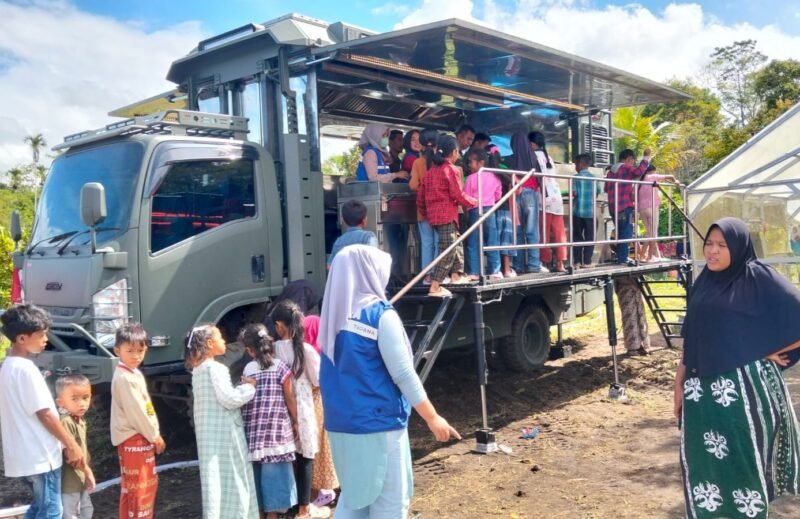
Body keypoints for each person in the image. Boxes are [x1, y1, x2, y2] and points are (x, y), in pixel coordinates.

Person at [319, 244, 462, 518]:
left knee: (354, 499)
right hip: (378, 427)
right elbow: (404, 374)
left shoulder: (331, 320)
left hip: (341, 426)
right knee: (390, 505)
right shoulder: (380, 317)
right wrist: (433, 418)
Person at [675, 217, 800, 518]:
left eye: (722, 245)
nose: (713, 252)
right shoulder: (703, 282)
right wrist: (678, 385)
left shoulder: (757, 276)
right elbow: (691, 337)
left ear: (739, 247)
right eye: (709, 244)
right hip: (700, 396)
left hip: (743, 396)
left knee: (742, 467)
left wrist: (766, 350)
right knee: (703, 466)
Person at [0, 304, 85, 519]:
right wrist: (72, 445)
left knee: (39, 508)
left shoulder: (8, 367)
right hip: (41, 456)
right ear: (21, 339)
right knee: (51, 512)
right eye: (41, 335)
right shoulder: (27, 370)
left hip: (23, 456)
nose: (45, 339)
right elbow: (45, 414)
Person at [185, 324, 259, 519]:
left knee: (214, 480)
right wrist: (249, 388)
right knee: (234, 479)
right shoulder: (216, 368)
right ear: (210, 343)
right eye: (220, 338)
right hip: (226, 435)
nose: (224, 341)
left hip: (209, 437)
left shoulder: (198, 370)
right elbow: (229, 399)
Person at [270, 302, 330, 519]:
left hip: (278, 410)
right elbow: (318, 379)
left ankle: (289, 505)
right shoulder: (306, 350)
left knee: (287, 458)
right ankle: (305, 509)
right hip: (303, 408)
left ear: (279, 325)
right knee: (305, 456)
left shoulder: (273, 350)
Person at [240, 324, 300, 519]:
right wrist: (296, 420)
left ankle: (258, 512)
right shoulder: (281, 367)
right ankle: (273, 514)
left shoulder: (249, 369)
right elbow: (289, 398)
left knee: (256, 474)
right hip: (276, 431)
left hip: (255, 431)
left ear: (250, 350)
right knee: (274, 476)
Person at [110, 322, 165, 519]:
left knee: (131, 489)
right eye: (130, 350)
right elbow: (139, 413)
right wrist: (155, 436)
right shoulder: (127, 378)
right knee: (142, 489)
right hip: (136, 438)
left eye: (140, 350)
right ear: (117, 350)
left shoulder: (131, 373)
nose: (136, 356)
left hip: (134, 438)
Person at [417, 134, 478, 297]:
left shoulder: (431, 172)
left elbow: (420, 197)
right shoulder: (451, 170)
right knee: (448, 250)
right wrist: (473, 202)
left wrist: (426, 212)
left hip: (434, 217)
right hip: (447, 215)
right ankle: (435, 285)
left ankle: (457, 276)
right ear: (454, 152)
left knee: (455, 242)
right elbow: (458, 194)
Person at [507, 131, 548, 274]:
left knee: (517, 230)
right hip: (530, 193)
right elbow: (539, 177)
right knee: (532, 231)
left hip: (515, 193)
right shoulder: (532, 156)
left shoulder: (510, 159)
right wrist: (544, 193)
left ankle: (518, 265)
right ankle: (533, 265)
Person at [56, 374, 95, 519]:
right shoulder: (66, 422)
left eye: (86, 398)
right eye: (74, 399)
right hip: (70, 481)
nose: (82, 404)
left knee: (86, 509)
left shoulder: (79, 419)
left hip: (79, 478)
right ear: (60, 402)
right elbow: (70, 455)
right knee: (70, 513)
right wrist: (87, 471)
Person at [604, 148, 651, 264]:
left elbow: (606, 189)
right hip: (624, 206)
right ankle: (623, 259)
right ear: (628, 159)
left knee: (620, 232)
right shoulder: (625, 167)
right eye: (632, 161)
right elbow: (638, 172)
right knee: (626, 232)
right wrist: (646, 157)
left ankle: (622, 257)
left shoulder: (610, 172)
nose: (632, 164)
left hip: (612, 207)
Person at [463, 148, 502, 279]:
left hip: (474, 211)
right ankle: (495, 270)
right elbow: (498, 195)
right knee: (492, 240)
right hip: (490, 210)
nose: (469, 165)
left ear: (480, 163)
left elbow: (466, 197)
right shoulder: (494, 176)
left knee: (473, 242)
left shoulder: (470, 178)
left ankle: (474, 271)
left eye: (471, 162)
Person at [409, 129, 441, 283]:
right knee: (438, 242)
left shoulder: (418, 162)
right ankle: (438, 276)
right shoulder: (441, 162)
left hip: (423, 209)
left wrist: (423, 189)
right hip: (439, 209)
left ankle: (427, 276)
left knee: (426, 243)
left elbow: (413, 185)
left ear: (421, 144)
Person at [638, 165, 679, 262]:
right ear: (652, 171)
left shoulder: (640, 180)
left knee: (649, 233)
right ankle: (649, 257)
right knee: (653, 234)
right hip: (652, 207)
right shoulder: (651, 177)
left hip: (642, 209)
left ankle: (642, 256)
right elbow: (670, 176)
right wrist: (676, 181)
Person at [489, 145, 518, 278]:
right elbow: (517, 186)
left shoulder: (483, 172)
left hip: (489, 209)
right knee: (505, 239)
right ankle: (506, 269)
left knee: (493, 240)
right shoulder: (503, 169)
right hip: (504, 208)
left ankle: (495, 269)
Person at [327, 200, 379, 269]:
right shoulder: (368, 237)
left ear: (343, 221)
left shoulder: (339, 241)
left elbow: (330, 266)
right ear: (364, 220)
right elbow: (374, 260)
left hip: (345, 279)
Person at [571, 153, 600, 267]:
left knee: (577, 237)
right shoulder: (594, 179)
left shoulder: (575, 178)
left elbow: (574, 193)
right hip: (590, 212)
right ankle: (587, 261)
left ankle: (577, 261)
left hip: (578, 211)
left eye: (575, 164)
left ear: (580, 164)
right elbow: (597, 193)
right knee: (590, 237)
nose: (575, 167)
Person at [539, 159, 567, 273]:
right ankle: (560, 264)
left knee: (543, 234)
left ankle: (544, 262)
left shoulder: (534, 155)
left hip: (544, 198)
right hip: (556, 196)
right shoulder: (549, 157)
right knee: (559, 234)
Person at [614, 277, 651, 356]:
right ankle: (632, 348)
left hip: (635, 287)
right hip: (625, 289)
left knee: (640, 317)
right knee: (630, 319)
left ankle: (641, 345)